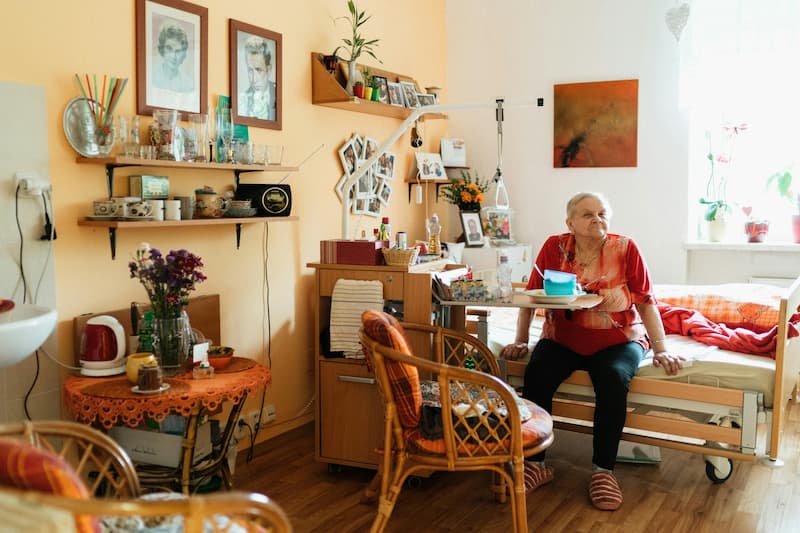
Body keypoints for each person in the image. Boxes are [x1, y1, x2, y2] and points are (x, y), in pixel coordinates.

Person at [499, 192, 685, 511]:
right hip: (563, 338)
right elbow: (531, 296)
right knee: (537, 374)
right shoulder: (554, 247)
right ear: (570, 223)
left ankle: (603, 471)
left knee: (613, 378)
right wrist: (520, 340)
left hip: (619, 340)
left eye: (602, 213)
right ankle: (535, 463)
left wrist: (661, 348)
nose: (597, 219)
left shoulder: (625, 248)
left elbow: (646, 301)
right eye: (587, 214)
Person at [240, 35, 277, 120]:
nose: (254, 79)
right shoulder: (242, 100)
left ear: (269, 70)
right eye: (250, 70)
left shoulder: (279, 94)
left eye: (259, 70)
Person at [152, 22, 193, 93]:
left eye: (178, 51)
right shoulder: (151, 75)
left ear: (183, 54)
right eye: (169, 49)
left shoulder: (188, 84)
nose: (173, 56)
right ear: (162, 50)